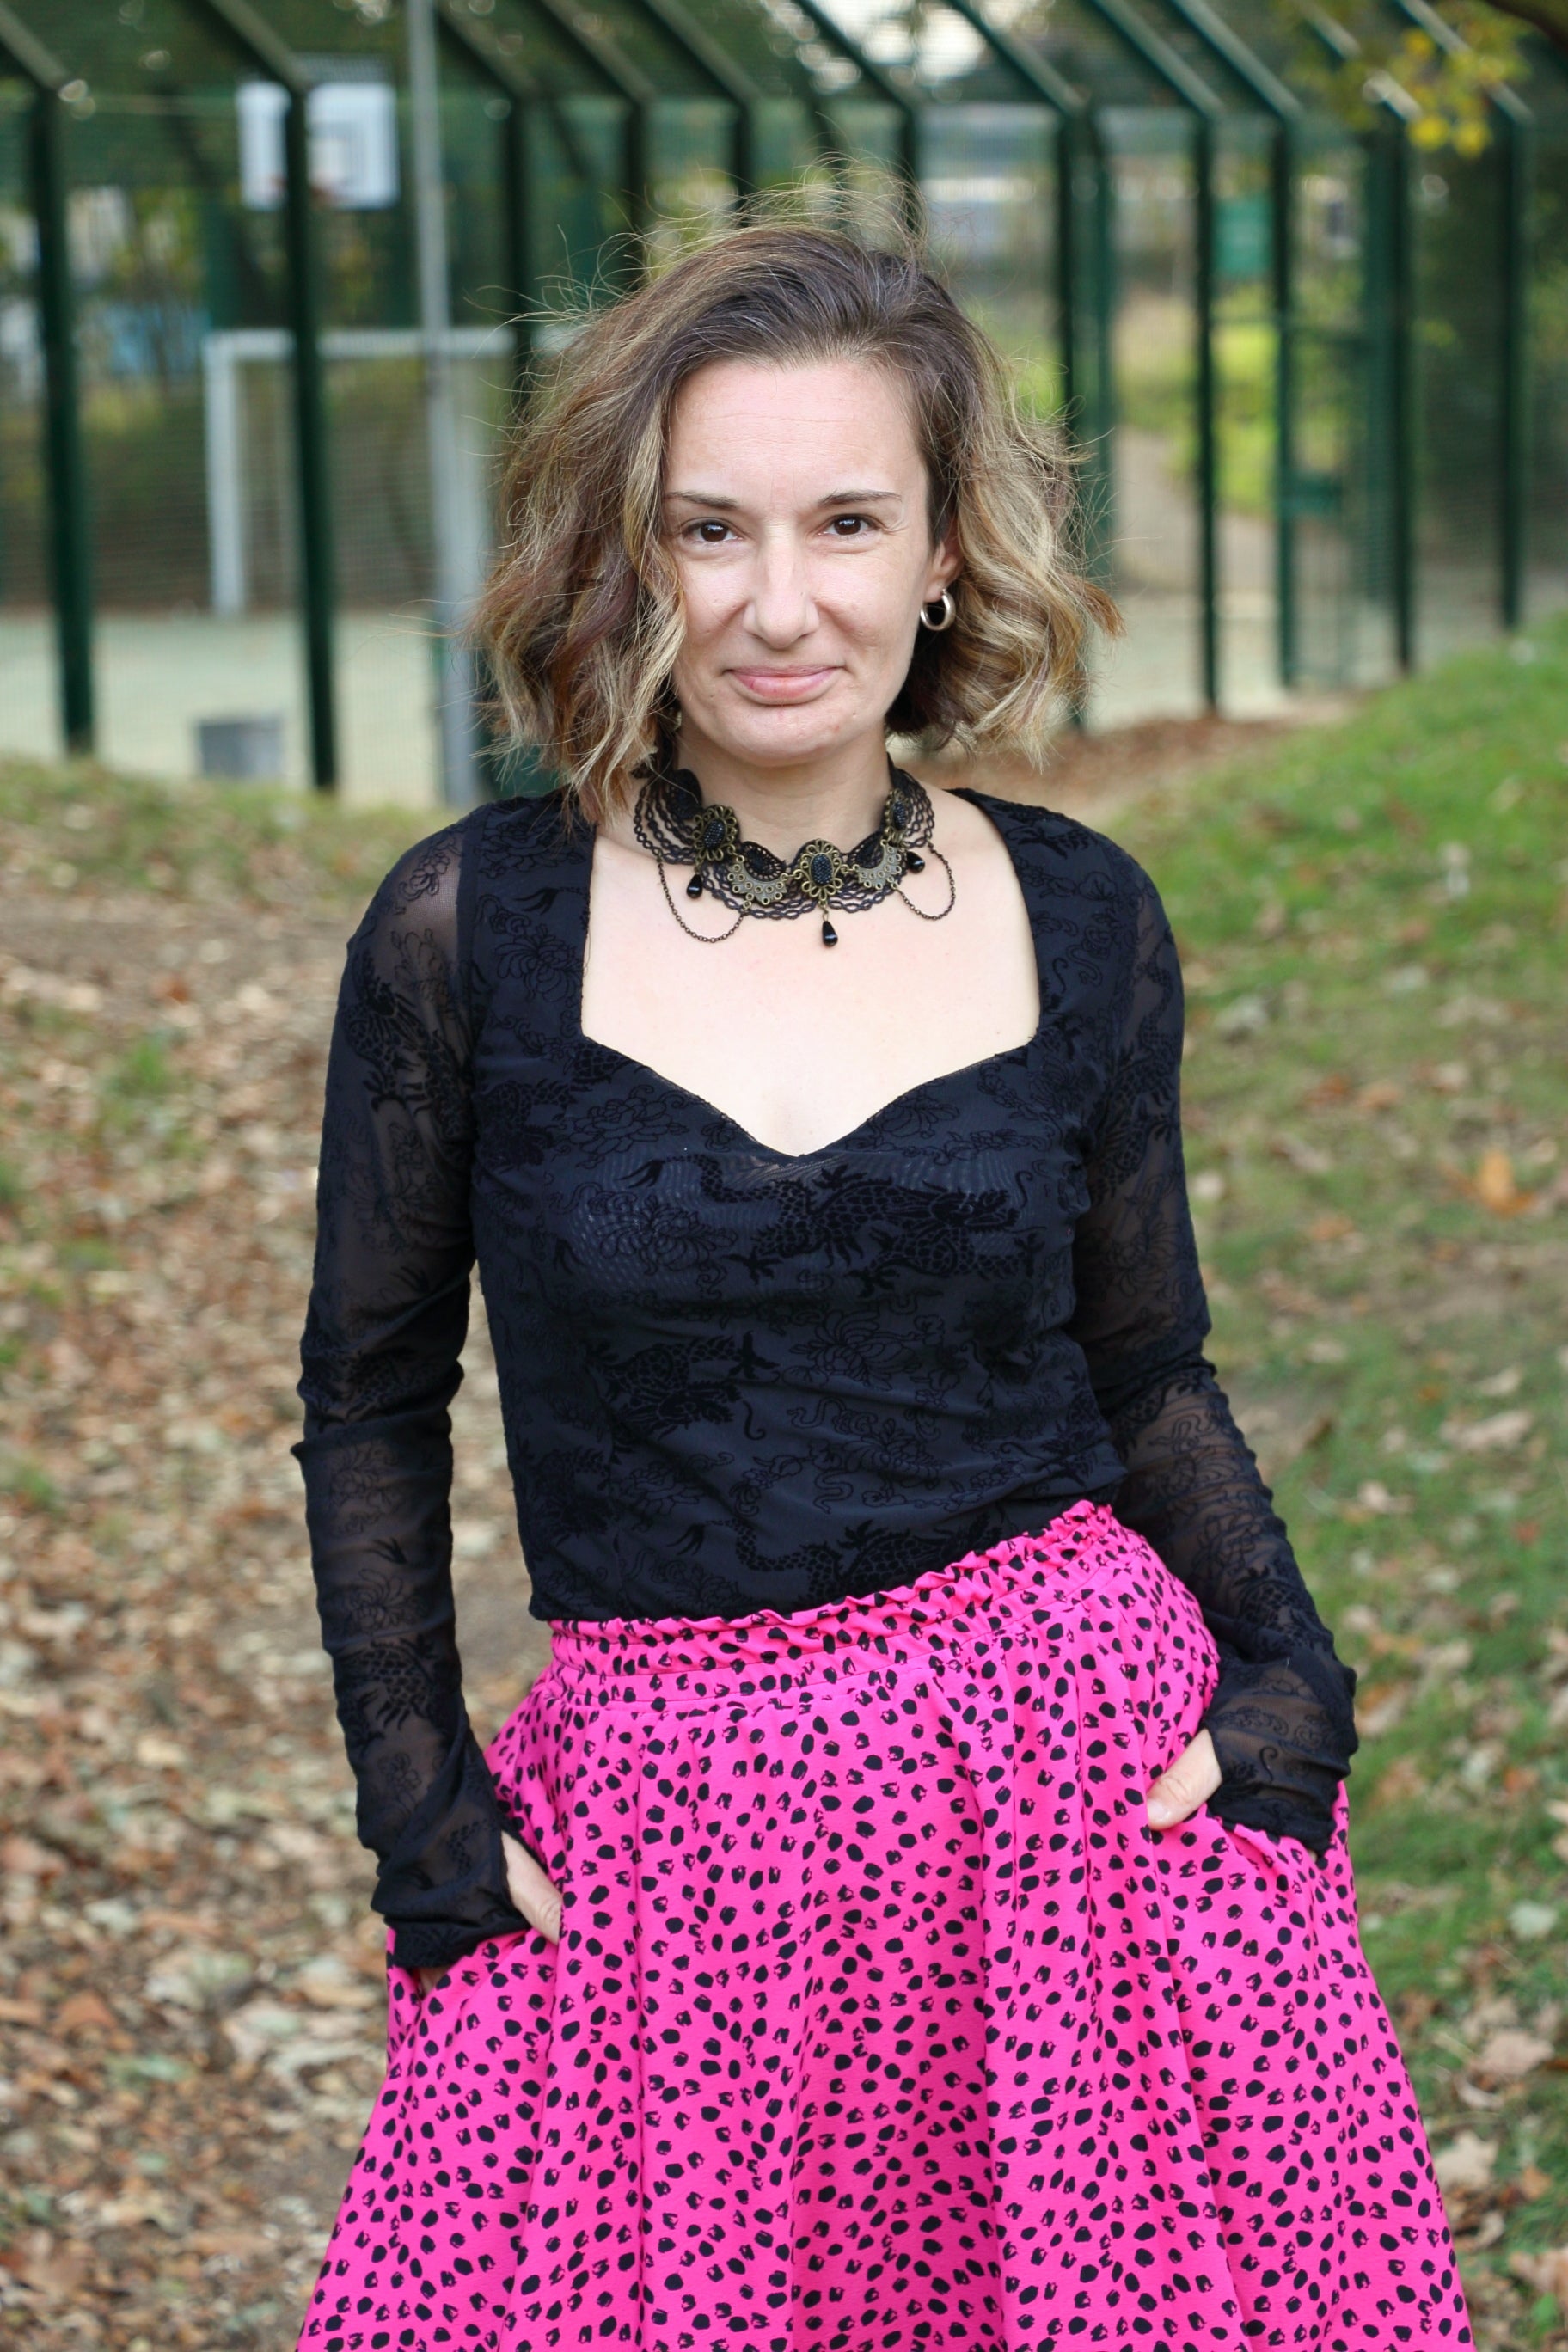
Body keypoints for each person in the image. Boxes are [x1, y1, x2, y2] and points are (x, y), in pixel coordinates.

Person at [293, 218, 1467, 2350]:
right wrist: (424, 1815)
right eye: (707, 529)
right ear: (625, 556)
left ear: (941, 554)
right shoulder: (470, 928)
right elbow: (371, 1395)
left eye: (848, 522)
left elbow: (1151, 1367)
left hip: (1064, 1820)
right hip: (671, 1856)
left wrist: (1293, 1683)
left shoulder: (1088, 916)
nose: (776, 601)